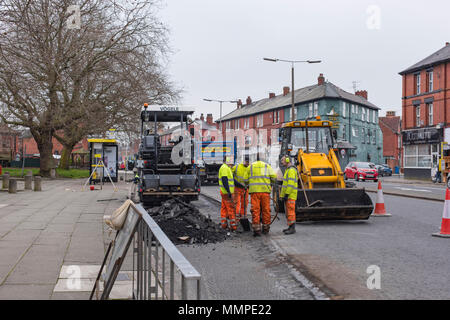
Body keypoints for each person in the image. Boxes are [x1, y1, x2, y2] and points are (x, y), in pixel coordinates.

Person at [245, 154, 276, 236]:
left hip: (254, 192)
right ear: (263, 158)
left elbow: (245, 180)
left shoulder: (251, 167)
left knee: (255, 210)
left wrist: (248, 184)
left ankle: (256, 230)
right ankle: (266, 228)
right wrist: (270, 184)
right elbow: (274, 177)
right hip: (265, 192)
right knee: (266, 210)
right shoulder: (267, 166)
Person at [279, 155, 298, 235]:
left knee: (290, 212)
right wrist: (282, 195)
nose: (281, 162)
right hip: (288, 195)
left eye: (282, 160)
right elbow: (285, 185)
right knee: (289, 212)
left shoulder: (291, 170)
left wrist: (286, 194)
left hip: (290, 195)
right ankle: (290, 226)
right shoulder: (288, 170)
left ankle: (292, 228)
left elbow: (290, 184)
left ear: (287, 160)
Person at [218, 157, 237, 231]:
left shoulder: (226, 168)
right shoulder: (225, 168)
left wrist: (241, 186)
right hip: (227, 193)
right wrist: (229, 191)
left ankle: (224, 225)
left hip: (224, 192)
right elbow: (224, 180)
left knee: (224, 208)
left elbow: (232, 181)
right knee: (231, 209)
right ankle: (233, 227)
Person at [232, 157, 250, 224]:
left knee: (245, 204)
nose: (248, 163)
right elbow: (230, 175)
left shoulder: (249, 168)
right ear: (244, 161)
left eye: (248, 162)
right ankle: (236, 219)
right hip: (237, 188)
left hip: (245, 189)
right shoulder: (237, 167)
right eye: (247, 162)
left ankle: (243, 217)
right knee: (237, 203)